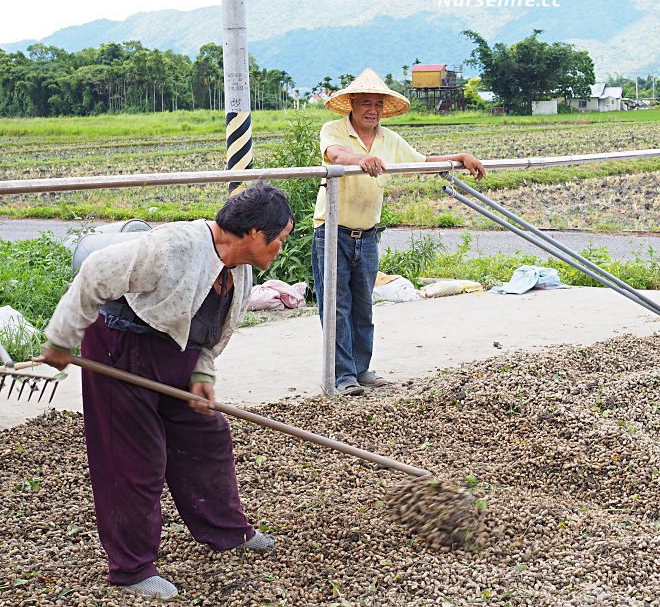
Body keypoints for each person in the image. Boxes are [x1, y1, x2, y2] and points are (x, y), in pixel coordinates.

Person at [38, 182, 295, 600]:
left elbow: (212, 333)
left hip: (176, 357)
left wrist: (202, 375)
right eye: (280, 240)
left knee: (206, 437)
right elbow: (96, 271)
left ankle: (226, 531)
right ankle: (132, 569)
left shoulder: (241, 271)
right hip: (121, 350)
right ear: (252, 232)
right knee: (135, 459)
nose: (280, 249)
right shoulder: (174, 245)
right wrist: (61, 340)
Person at [311, 68, 486, 396]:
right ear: (352, 104)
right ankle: (341, 375)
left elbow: (422, 161)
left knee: (363, 305)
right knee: (337, 305)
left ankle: (360, 369)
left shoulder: (388, 139)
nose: (372, 110)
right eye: (366, 103)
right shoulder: (333, 129)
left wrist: (460, 158)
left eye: (378, 103)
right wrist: (359, 159)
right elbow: (335, 155)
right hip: (332, 231)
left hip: (367, 234)